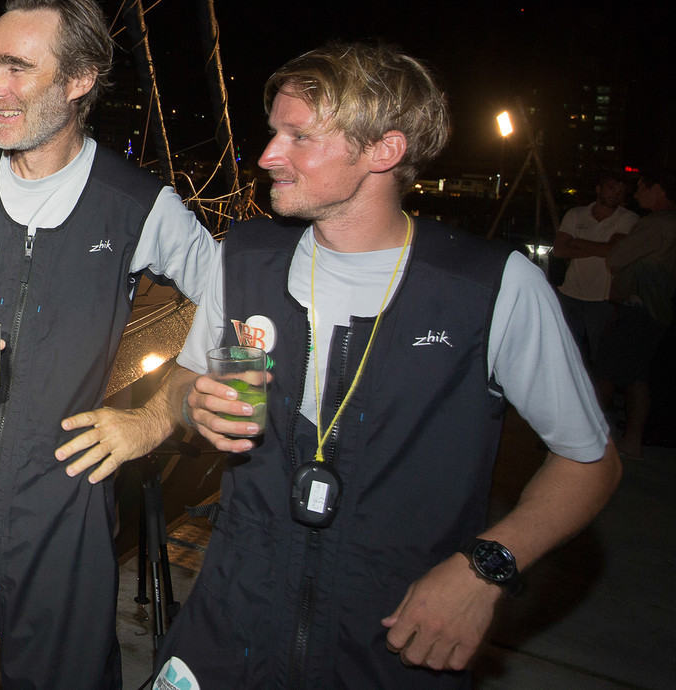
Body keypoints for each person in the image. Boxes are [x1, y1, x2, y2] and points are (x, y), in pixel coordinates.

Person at [136, 41, 620, 689]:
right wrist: (188, 400)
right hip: (231, 622)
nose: (268, 155)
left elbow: (590, 465)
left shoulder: (491, 287)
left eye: (298, 136)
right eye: (273, 131)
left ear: (383, 152)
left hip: (393, 640)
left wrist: (484, 570)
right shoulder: (244, 256)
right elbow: (184, 383)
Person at [0, 0, 219, 690]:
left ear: (81, 78)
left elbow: (239, 308)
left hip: (60, 512)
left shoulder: (137, 205)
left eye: (18, 68)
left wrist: (155, 419)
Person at [603, 165, 676, 458]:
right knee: (639, 376)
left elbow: (617, 258)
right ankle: (631, 439)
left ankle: (590, 437)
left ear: (658, 189)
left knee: (605, 371)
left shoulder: (657, 222)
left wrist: (619, 243)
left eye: (642, 187)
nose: (636, 194)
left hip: (637, 307)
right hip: (659, 309)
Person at [552, 172, 638, 363]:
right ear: (598, 188)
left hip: (603, 298)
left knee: (601, 356)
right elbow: (559, 250)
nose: (616, 195)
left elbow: (614, 251)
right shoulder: (576, 214)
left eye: (622, 191)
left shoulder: (628, 218)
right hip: (570, 293)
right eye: (612, 188)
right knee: (565, 353)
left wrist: (576, 241)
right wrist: (601, 248)